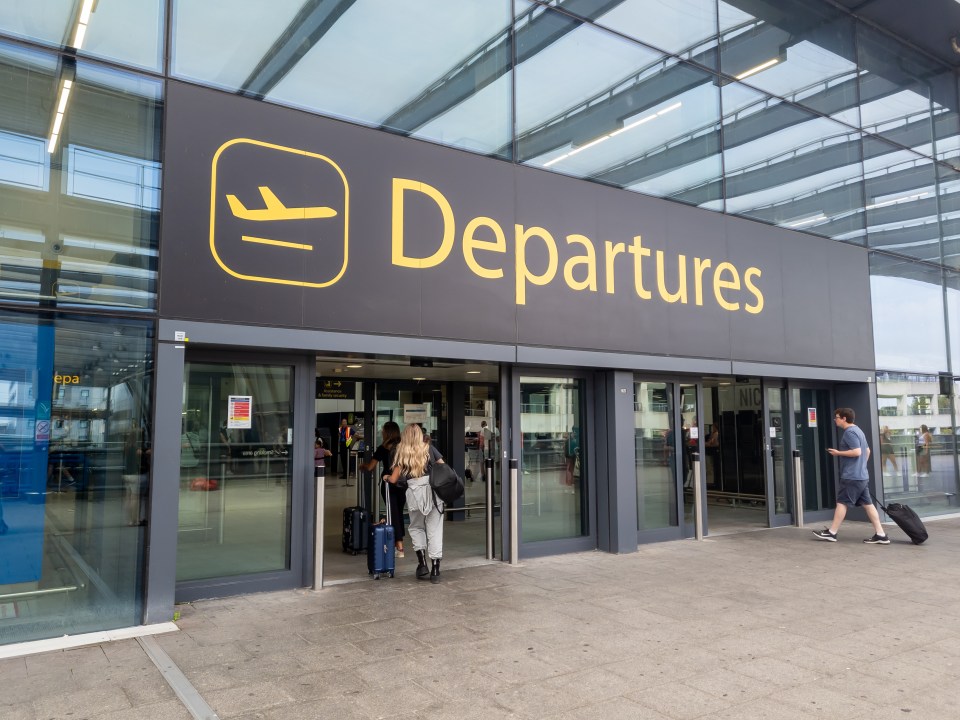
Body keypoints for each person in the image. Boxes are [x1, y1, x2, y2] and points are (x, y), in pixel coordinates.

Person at [813, 408, 889, 544]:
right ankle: (881, 534)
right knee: (868, 505)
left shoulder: (849, 432)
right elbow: (867, 450)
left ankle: (832, 532)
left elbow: (857, 452)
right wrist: (861, 466)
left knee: (842, 503)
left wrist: (838, 453)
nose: (835, 420)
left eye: (836, 417)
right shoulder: (859, 431)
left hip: (852, 476)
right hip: (861, 476)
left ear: (843, 418)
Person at [384, 423, 446, 582]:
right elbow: (443, 467)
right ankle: (436, 570)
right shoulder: (429, 449)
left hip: (414, 493)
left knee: (416, 527)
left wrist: (386, 477)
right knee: (435, 529)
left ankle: (422, 564)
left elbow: (394, 479)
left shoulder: (401, 452)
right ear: (419, 435)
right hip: (433, 494)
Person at [360, 421, 403, 557]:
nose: (381, 432)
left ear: (387, 432)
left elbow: (370, 467)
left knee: (393, 513)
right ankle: (399, 542)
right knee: (398, 512)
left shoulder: (383, 448)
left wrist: (363, 466)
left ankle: (399, 546)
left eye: (383, 430)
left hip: (388, 482)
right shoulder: (403, 447)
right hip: (402, 484)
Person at [122, 422, 151, 526]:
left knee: (127, 498)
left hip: (126, 475)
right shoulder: (136, 448)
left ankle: (128, 520)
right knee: (134, 499)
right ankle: (135, 520)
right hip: (134, 475)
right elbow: (145, 453)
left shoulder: (126, 446)